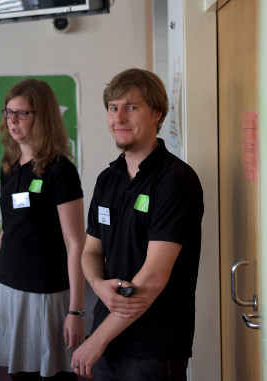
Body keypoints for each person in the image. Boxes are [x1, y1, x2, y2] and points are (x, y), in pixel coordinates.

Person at [71, 69, 204, 381]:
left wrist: (96, 340)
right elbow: (91, 251)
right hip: (108, 340)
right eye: (112, 108)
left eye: (131, 107)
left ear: (156, 113)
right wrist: (97, 285)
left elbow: (154, 278)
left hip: (153, 349)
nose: (119, 117)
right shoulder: (108, 179)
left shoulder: (175, 180)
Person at [0, 79, 86, 381]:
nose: (12, 120)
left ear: (41, 116)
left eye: (21, 113)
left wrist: (76, 311)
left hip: (45, 293)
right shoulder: (10, 166)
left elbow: (75, 245)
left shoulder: (60, 170)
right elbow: (9, 231)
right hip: (8, 288)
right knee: (20, 377)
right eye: (8, 112)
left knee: (53, 376)